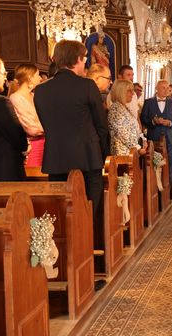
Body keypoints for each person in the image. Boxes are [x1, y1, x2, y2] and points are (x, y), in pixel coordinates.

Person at [34, 40, 110, 220]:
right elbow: (101, 125)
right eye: (84, 59)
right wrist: (103, 154)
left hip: (56, 158)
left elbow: (46, 123)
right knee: (87, 210)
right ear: (77, 59)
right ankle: (86, 245)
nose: (85, 63)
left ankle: (65, 246)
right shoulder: (87, 86)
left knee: (60, 212)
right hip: (87, 158)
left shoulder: (41, 90)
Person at [141, 79, 172, 196]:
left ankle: (167, 193)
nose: (166, 90)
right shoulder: (148, 102)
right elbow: (143, 119)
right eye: (163, 88)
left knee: (169, 165)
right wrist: (153, 122)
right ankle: (155, 193)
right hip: (154, 138)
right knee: (154, 165)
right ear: (157, 89)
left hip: (170, 139)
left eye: (167, 88)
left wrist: (169, 123)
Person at [8, 64, 45, 168]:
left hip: (44, 143)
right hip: (32, 146)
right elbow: (31, 128)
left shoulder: (34, 96)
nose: (40, 78)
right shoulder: (16, 98)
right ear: (29, 77)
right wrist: (50, 127)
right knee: (34, 178)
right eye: (37, 75)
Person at [107, 80, 148, 157]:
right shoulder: (116, 109)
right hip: (123, 155)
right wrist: (138, 148)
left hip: (132, 153)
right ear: (121, 92)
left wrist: (143, 140)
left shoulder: (124, 107)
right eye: (130, 91)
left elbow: (135, 128)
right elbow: (124, 134)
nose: (133, 93)